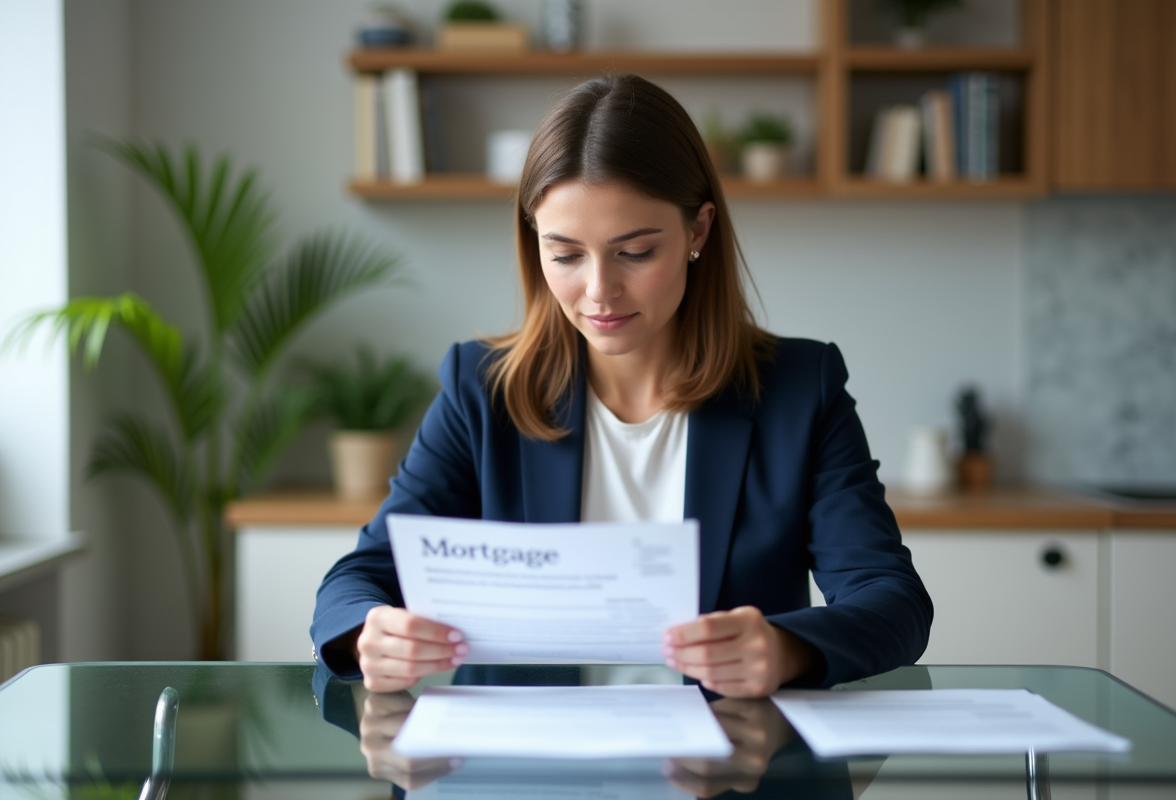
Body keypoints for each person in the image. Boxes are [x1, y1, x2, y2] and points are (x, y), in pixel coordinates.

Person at [311, 74, 932, 698]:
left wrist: (787, 648)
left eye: (634, 252)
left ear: (698, 231)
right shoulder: (483, 389)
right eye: (566, 254)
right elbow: (359, 578)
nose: (599, 291)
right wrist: (371, 632)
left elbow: (893, 601)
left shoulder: (800, 390)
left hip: (733, 771)